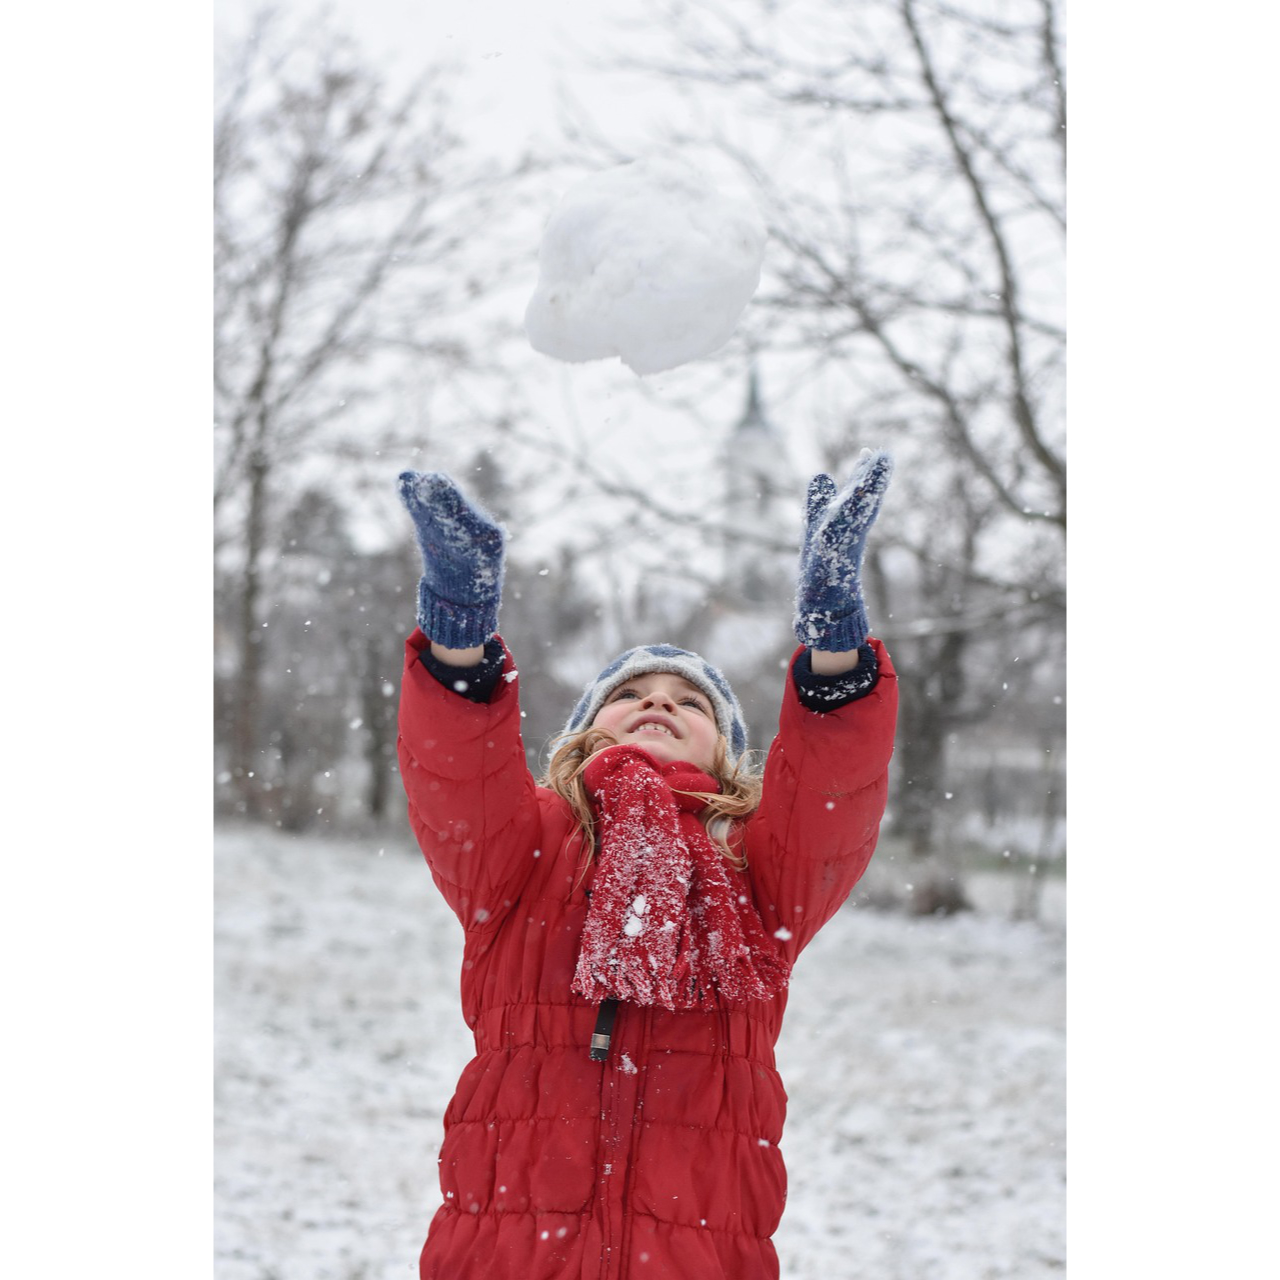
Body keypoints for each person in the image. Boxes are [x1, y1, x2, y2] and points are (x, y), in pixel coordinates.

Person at [395, 453, 898, 1280]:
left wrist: (835, 652)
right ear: (587, 733)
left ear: (726, 757)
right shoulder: (526, 844)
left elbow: (833, 797)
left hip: (697, 1251)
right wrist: (458, 638)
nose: (660, 701)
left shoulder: (754, 866)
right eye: (630, 694)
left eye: (692, 702)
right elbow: (456, 776)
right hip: (512, 1248)